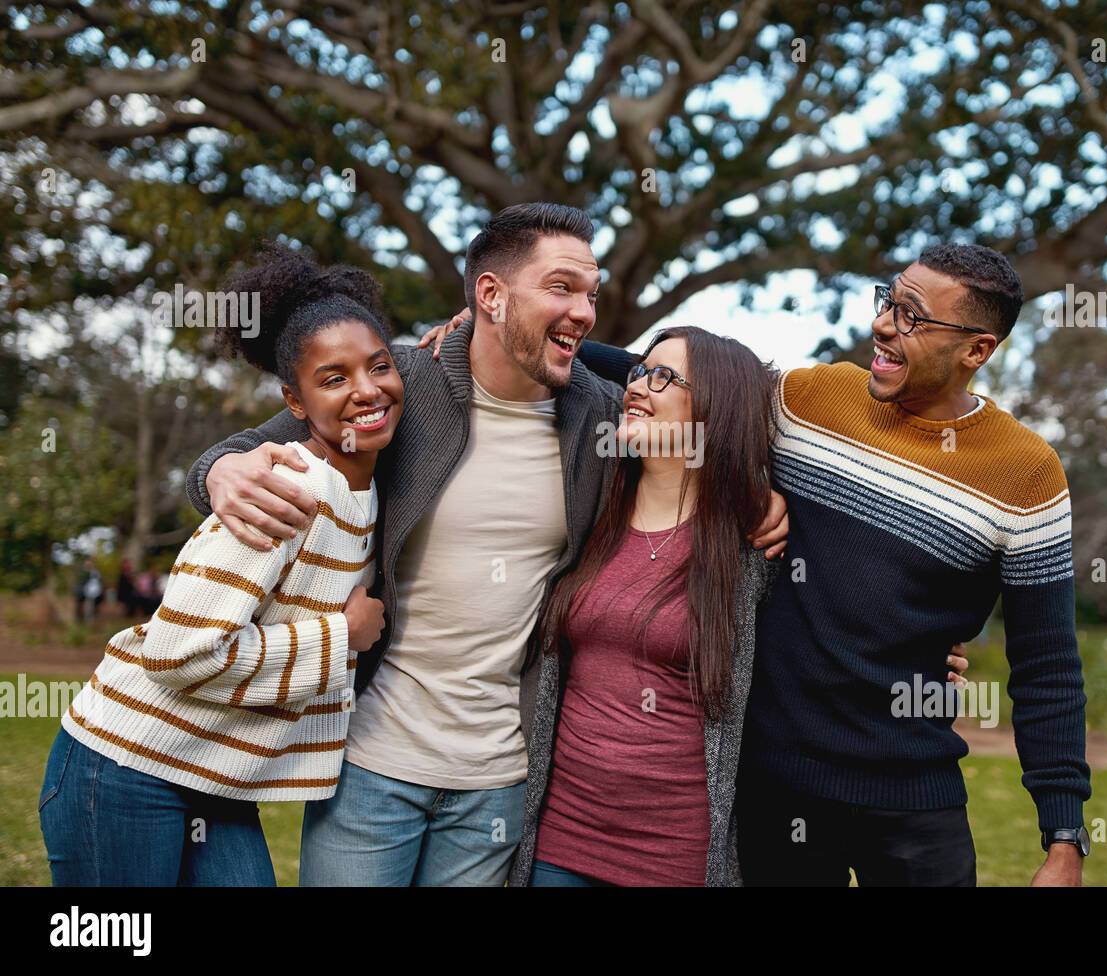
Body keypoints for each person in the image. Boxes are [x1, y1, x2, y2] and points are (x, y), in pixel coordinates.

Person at [182, 203, 791, 886]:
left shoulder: (603, 418)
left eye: (591, 293)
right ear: (490, 295)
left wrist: (756, 488)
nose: (585, 310)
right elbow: (242, 449)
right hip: (372, 763)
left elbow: (703, 397)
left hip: (500, 782)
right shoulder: (401, 386)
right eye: (561, 288)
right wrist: (220, 470)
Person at [570, 243, 1092, 886]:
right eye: (889, 300)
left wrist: (1063, 838)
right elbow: (683, 386)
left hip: (914, 800)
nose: (882, 324)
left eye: (912, 316)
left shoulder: (1026, 472)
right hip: (775, 790)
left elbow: (1047, 665)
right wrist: (504, 337)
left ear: (976, 351)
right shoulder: (813, 399)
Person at [38, 245, 398, 885]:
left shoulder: (367, 495)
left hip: (215, 777)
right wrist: (343, 637)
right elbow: (177, 653)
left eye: (379, 366)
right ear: (294, 400)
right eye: (334, 378)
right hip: (125, 764)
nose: (367, 390)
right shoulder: (283, 492)